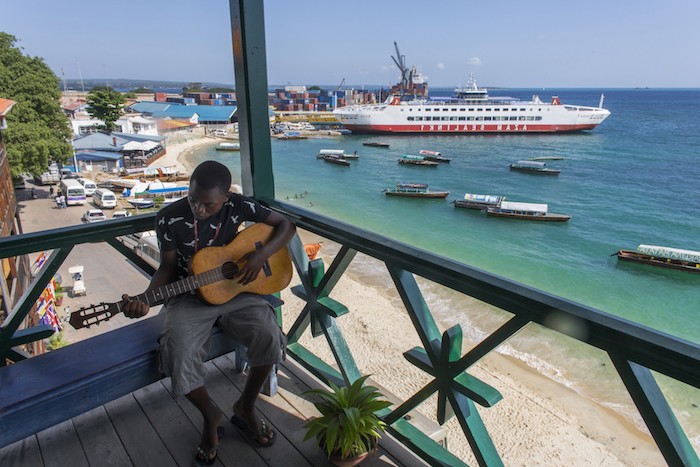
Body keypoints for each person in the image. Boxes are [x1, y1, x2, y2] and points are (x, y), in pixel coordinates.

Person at [121, 161, 295, 465]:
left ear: (226, 197)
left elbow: (286, 226)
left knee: (269, 335)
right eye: (193, 200)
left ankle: (246, 406)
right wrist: (146, 299)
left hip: (236, 289)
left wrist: (260, 255)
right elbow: (168, 267)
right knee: (176, 353)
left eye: (208, 204)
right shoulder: (168, 219)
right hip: (188, 297)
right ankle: (210, 414)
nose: (198, 209)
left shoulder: (239, 206)